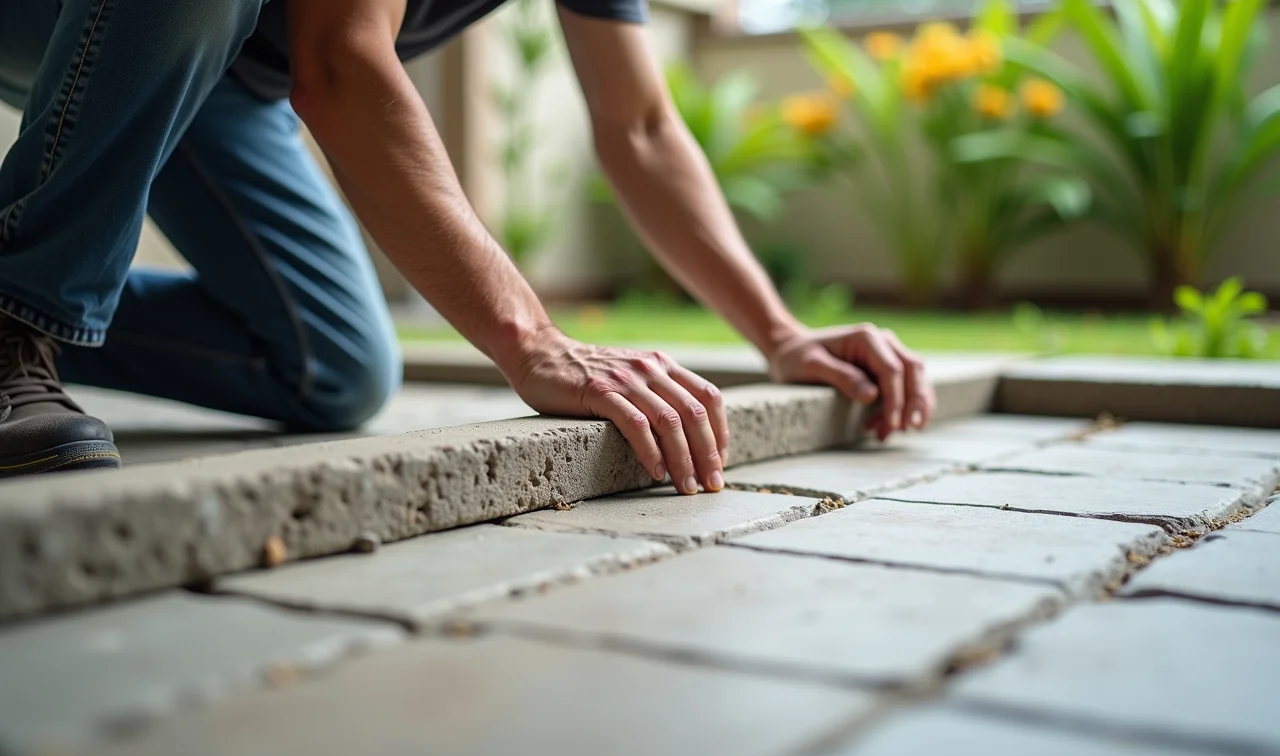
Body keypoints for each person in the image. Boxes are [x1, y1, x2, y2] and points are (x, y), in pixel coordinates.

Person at [0, 0, 935, 487]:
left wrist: (781, 336)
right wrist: (529, 338)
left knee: (331, 368)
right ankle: (15, 322)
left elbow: (641, 126)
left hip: (225, 72)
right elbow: (340, 59)